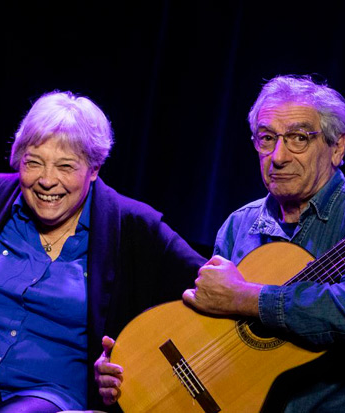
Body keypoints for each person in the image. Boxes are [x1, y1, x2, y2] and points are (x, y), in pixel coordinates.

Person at [0, 90, 205, 412]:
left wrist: (135, 357)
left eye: (65, 167)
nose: (47, 180)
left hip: (52, 392)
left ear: (94, 170)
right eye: (34, 163)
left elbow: (205, 289)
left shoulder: (132, 226)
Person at [96, 75, 345, 410]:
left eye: (299, 138)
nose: (278, 156)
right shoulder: (239, 225)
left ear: (338, 147)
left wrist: (248, 298)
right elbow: (208, 331)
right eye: (266, 138)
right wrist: (134, 369)